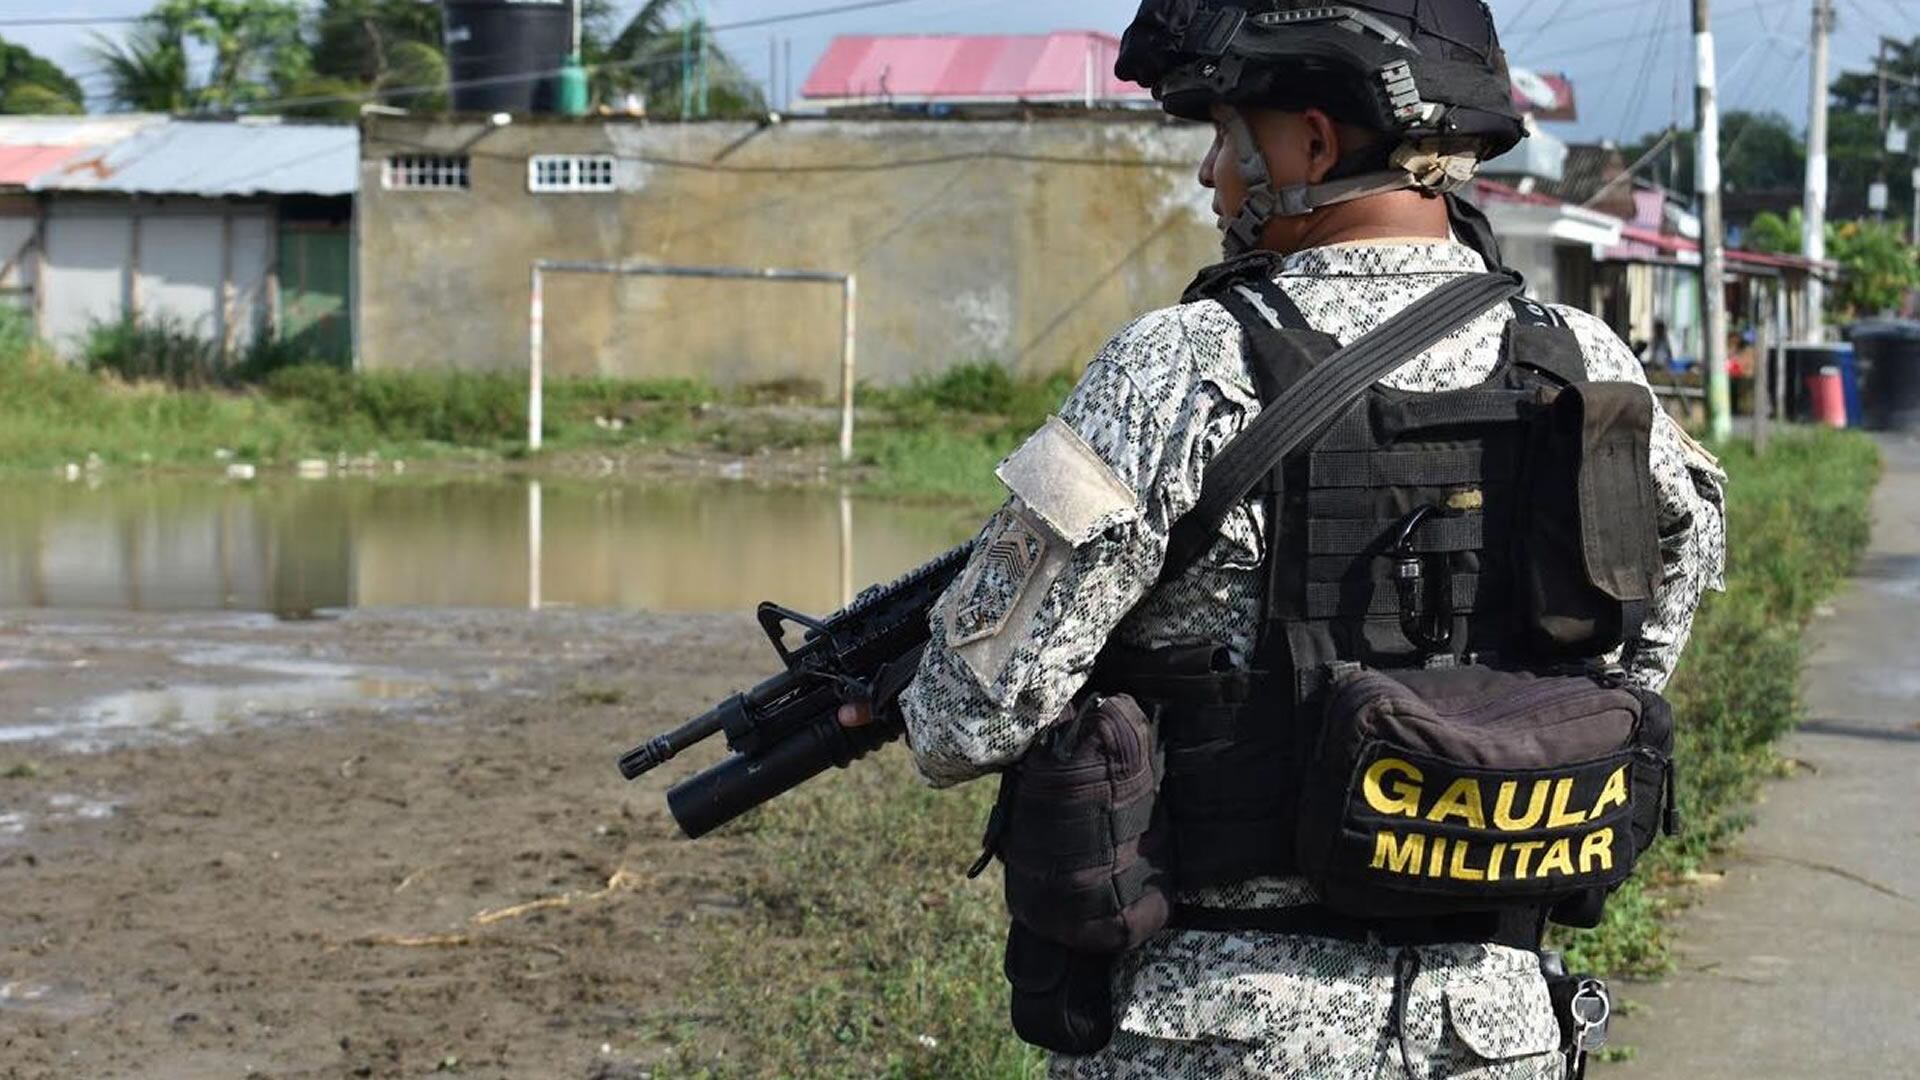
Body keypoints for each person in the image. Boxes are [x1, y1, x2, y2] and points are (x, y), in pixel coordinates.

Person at [844, 2, 1726, 1076]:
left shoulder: (1180, 369)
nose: (1211, 175)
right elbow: (1651, 627)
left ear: (1312, 143)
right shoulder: (1587, 367)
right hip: (1491, 1035)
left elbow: (964, 721)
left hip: (1215, 1030)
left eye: (1227, 135)